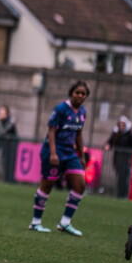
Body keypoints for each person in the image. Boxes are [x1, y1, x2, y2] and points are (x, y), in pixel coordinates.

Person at [28, 80, 90, 236]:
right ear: (71, 93)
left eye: (83, 94)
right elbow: (51, 131)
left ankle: (65, 222)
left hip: (70, 154)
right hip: (53, 151)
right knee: (47, 186)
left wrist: (81, 156)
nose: (80, 96)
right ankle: (35, 223)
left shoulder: (82, 112)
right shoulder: (61, 109)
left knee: (80, 185)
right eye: (77, 93)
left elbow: (79, 135)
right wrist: (53, 153)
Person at [104, 116, 132, 198]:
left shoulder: (129, 134)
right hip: (117, 158)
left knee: (125, 178)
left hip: (126, 159)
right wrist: (108, 145)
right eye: (120, 125)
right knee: (119, 177)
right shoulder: (116, 133)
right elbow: (110, 141)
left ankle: (124, 195)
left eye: (123, 125)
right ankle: (118, 194)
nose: (121, 127)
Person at [0, 105, 19, 182]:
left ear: (7, 114)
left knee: (6, 162)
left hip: (8, 144)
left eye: (3, 113)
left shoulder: (10, 123)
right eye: (0, 113)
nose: (0, 114)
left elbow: (13, 134)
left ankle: (8, 179)